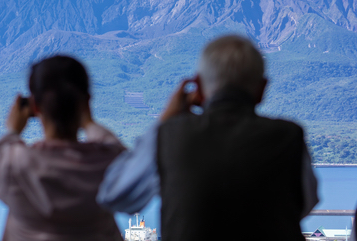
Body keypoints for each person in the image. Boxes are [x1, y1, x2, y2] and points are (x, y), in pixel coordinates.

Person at [97, 35, 319, 241]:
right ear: (262, 89)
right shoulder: (289, 137)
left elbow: (115, 195)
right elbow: (305, 204)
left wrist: (165, 119)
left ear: (199, 87)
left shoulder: (171, 137)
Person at [0, 55, 125, 241]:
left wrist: (14, 130)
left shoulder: (14, 166)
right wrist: (89, 122)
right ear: (86, 102)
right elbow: (115, 149)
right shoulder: (108, 164)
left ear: (35, 106)